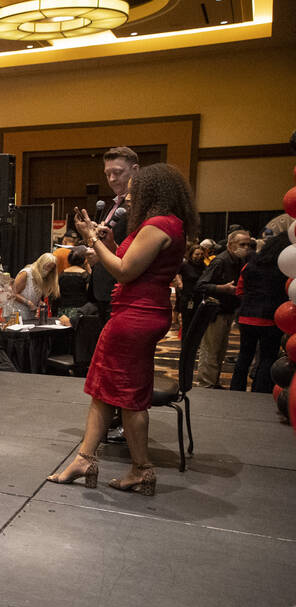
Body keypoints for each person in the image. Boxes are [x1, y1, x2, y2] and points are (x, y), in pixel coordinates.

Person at [50, 162, 196, 496]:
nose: (128, 196)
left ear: (152, 191)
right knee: (108, 389)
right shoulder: (168, 225)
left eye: (134, 189)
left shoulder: (158, 225)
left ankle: (139, 467)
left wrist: (90, 238)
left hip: (135, 315)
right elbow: (132, 266)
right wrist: (111, 242)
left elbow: (125, 272)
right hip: (141, 311)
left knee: (126, 396)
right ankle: (88, 459)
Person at [230, 231, 289, 393]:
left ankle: (236, 390)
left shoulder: (250, 265)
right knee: (267, 357)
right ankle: (260, 391)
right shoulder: (283, 270)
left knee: (244, 356)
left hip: (246, 317)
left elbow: (239, 291)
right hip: (270, 319)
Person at [86, 148, 138, 322]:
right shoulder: (115, 204)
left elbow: (131, 250)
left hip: (120, 289)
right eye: (108, 174)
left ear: (135, 170)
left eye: (117, 172)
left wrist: (100, 253)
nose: (112, 179)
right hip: (103, 289)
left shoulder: (138, 207)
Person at [195, 228, 252, 388]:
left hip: (228, 311)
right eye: (242, 244)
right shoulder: (220, 261)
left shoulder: (240, 261)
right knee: (210, 351)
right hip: (215, 312)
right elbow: (200, 285)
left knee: (220, 351)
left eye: (248, 244)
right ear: (231, 244)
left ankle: (214, 381)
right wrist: (222, 288)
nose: (246, 248)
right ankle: (206, 384)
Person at [8, 253, 60, 323]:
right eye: (48, 267)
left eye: (51, 269)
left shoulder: (43, 277)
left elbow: (33, 295)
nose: (48, 270)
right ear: (42, 263)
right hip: (16, 314)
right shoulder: (26, 273)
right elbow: (13, 293)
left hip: (30, 316)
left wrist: (39, 302)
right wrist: (28, 302)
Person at [176, 243, 207, 337]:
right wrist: (179, 282)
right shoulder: (185, 264)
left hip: (200, 297)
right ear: (191, 254)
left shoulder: (204, 266)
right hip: (187, 297)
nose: (199, 256)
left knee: (198, 322)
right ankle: (185, 345)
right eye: (197, 254)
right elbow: (175, 272)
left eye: (201, 254)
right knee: (187, 323)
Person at [56, 246, 91, 319]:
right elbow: (90, 292)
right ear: (84, 260)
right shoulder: (84, 274)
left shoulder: (62, 273)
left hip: (63, 310)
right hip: (80, 310)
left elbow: (58, 292)